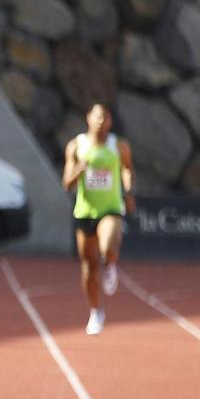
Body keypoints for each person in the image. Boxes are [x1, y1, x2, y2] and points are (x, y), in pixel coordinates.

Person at [62, 102, 135, 335]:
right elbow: (66, 183)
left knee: (108, 244)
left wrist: (128, 188)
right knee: (88, 269)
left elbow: (127, 169)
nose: (101, 121)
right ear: (88, 118)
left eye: (105, 117)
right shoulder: (76, 146)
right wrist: (78, 171)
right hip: (85, 212)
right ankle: (95, 311)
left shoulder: (119, 146)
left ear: (110, 121)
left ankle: (111, 263)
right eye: (97, 117)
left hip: (111, 207)